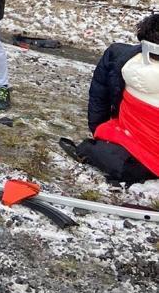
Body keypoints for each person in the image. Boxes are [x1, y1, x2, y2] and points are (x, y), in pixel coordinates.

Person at [59, 14, 159, 184]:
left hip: (120, 134)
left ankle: (97, 148)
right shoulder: (120, 57)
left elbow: (99, 95)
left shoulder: (120, 56)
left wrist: (97, 127)